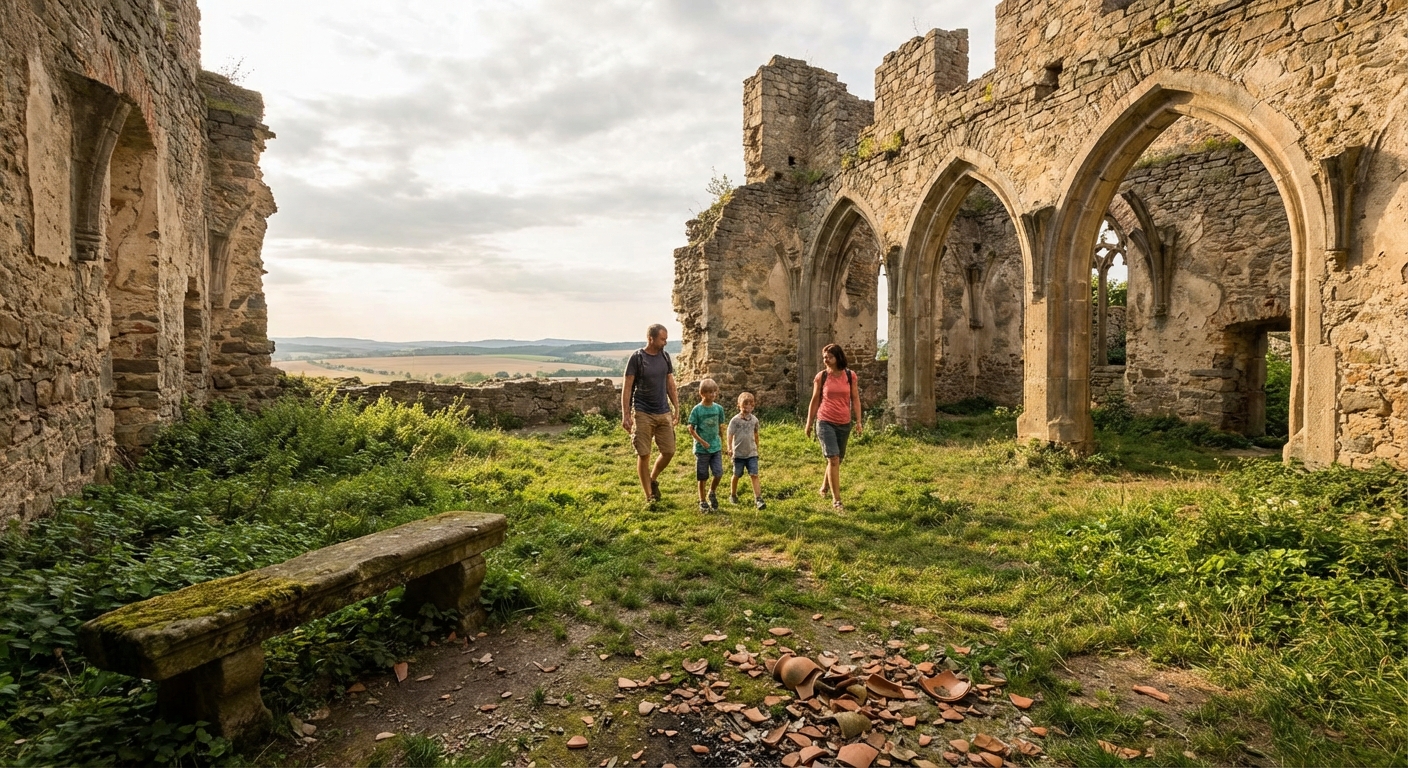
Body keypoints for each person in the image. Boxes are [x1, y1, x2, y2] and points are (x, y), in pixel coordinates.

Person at [622, 324, 679, 503]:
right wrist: (626, 414)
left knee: (669, 451)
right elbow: (627, 387)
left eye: (666, 338)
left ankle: (652, 479)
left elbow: (670, 383)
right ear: (651, 338)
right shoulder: (637, 358)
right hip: (642, 412)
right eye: (663, 339)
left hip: (663, 411)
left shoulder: (665, 356)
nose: (666, 342)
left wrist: (676, 407)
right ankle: (649, 496)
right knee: (644, 454)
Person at [804, 343, 862, 511]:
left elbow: (855, 398)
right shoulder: (821, 377)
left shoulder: (850, 376)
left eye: (829, 357)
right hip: (825, 421)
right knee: (833, 458)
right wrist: (809, 423)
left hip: (844, 422)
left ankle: (824, 487)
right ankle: (837, 500)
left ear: (838, 357)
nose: (826, 360)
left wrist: (858, 421)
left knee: (837, 459)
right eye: (824, 358)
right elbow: (814, 400)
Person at [686, 379, 727, 511]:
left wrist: (724, 444)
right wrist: (701, 441)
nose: (713, 394)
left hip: (716, 447)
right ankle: (702, 501)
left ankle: (712, 492)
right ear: (702, 393)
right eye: (709, 392)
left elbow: (721, 427)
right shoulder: (697, 410)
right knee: (702, 476)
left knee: (718, 473)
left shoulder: (718, 409)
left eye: (714, 391)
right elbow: (690, 428)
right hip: (701, 449)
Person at [727, 391, 766, 509]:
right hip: (738, 454)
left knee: (754, 474)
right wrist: (729, 448)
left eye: (750, 405)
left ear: (753, 406)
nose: (747, 407)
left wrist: (756, 448)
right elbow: (729, 434)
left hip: (751, 453)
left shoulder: (754, 420)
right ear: (738, 405)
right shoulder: (735, 421)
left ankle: (758, 499)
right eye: (744, 405)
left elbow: (756, 434)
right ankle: (733, 495)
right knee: (736, 474)